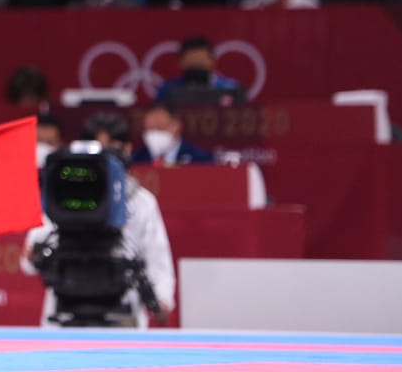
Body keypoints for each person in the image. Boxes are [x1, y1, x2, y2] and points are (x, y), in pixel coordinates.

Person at [21, 113, 175, 327]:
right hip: (65, 309)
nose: (106, 156)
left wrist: (161, 298)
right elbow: (30, 259)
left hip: (123, 312)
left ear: (127, 149)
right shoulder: (62, 191)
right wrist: (32, 255)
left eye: (113, 148)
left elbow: (157, 256)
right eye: (99, 149)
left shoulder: (141, 201)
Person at [154, 36, 245, 106]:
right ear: (180, 62)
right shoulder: (167, 89)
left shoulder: (231, 88)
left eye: (201, 62)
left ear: (212, 61)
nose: (197, 68)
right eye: (192, 63)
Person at [130, 103, 213, 166]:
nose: (154, 135)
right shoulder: (136, 159)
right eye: (150, 130)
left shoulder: (199, 159)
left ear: (176, 126)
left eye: (160, 128)